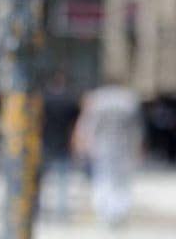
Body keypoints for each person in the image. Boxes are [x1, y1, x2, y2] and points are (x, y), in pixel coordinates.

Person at [73, 78, 144, 227]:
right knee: (120, 180)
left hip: (102, 147)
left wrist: (83, 144)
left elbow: (88, 126)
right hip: (122, 147)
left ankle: (106, 211)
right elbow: (136, 129)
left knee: (103, 178)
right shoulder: (128, 101)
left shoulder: (97, 100)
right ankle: (117, 211)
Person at [41, 70, 79, 220]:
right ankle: (61, 212)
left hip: (46, 142)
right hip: (63, 143)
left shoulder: (45, 99)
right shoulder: (70, 101)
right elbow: (75, 123)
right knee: (62, 181)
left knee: (42, 180)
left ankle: (40, 209)